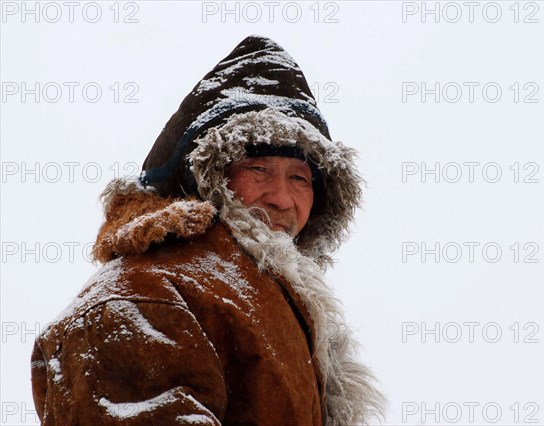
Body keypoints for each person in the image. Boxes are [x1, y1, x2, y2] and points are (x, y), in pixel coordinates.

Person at [31, 35, 384, 425]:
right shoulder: (144, 295)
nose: (282, 198)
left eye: (300, 177)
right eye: (258, 169)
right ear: (208, 177)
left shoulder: (267, 299)